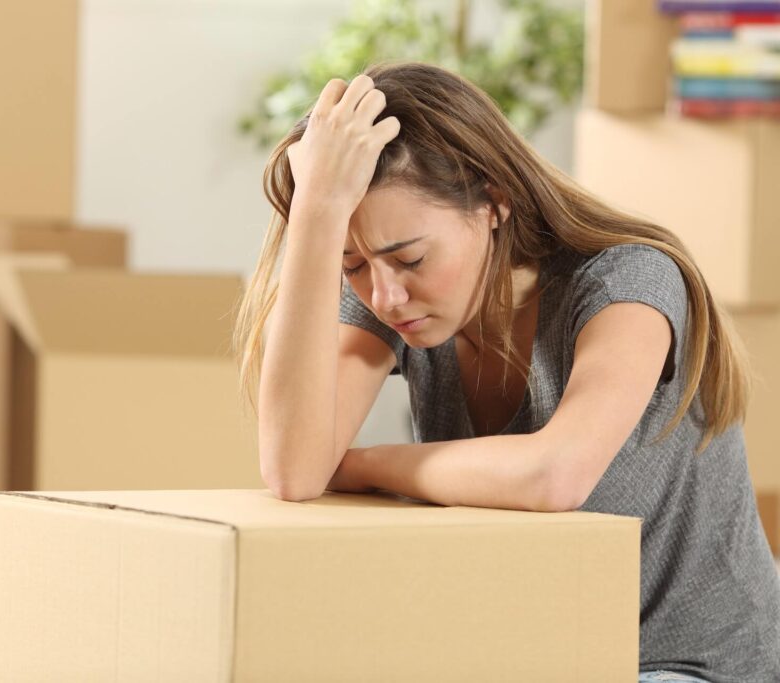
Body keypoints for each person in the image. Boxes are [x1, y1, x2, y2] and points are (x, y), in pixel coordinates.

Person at [232, 61, 780, 681]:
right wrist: (314, 216)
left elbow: (555, 475)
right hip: (540, 656)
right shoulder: (396, 298)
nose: (384, 295)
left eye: (408, 257)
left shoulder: (629, 280)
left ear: (494, 203)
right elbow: (293, 468)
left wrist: (358, 463)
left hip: (690, 667)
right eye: (351, 265)